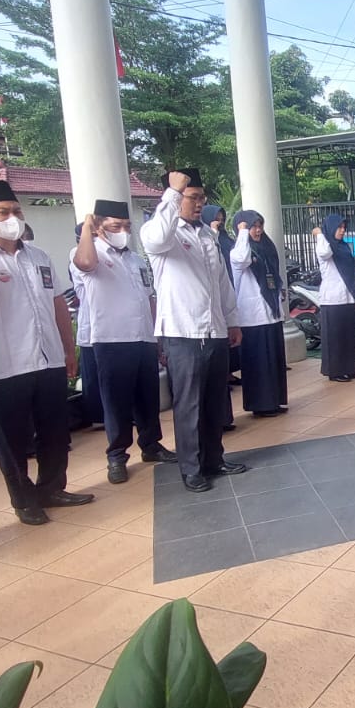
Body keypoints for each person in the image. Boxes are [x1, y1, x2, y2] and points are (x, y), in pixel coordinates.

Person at [0, 180, 95, 524]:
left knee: (55, 432)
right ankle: (23, 499)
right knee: (13, 438)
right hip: (5, 365)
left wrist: (68, 349)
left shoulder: (38, 257)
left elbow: (57, 304)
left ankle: (52, 488)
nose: (13, 217)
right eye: (3, 212)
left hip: (47, 359)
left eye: (16, 211)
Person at [140, 170, 247, 492]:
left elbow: (222, 282)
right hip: (183, 333)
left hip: (214, 330)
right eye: (192, 197)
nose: (199, 203)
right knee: (189, 405)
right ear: (175, 198)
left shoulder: (207, 236)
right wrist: (173, 194)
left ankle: (214, 459)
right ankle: (191, 468)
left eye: (202, 198)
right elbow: (156, 238)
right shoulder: (162, 232)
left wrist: (232, 320)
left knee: (215, 401)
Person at [74, 198, 178, 484]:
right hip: (112, 339)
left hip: (143, 336)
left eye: (126, 226)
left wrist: (157, 337)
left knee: (147, 398)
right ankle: (117, 455)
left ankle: (151, 445)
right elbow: (85, 263)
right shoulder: (90, 252)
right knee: (116, 402)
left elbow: (149, 298)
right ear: (98, 227)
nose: (122, 231)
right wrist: (87, 228)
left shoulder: (135, 259)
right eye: (115, 226)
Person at [230, 210, 290, 417]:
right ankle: (260, 404)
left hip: (271, 312)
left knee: (273, 360)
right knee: (259, 363)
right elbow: (241, 259)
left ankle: (274, 400)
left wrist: (279, 290)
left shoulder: (265, 248)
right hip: (253, 317)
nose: (258, 230)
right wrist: (242, 233)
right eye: (252, 226)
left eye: (259, 226)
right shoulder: (239, 251)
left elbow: (274, 272)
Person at [201, 196, 242, 417]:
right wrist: (213, 233)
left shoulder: (224, 240)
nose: (219, 222)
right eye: (215, 218)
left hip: (225, 297)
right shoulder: (207, 239)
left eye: (221, 218)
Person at [313, 213, 355, 382]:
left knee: (347, 336)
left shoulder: (344, 246)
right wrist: (319, 234)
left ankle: (348, 368)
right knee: (335, 338)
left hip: (347, 296)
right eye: (339, 227)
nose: (342, 231)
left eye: (344, 228)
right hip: (332, 299)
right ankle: (335, 371)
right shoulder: (324, 245)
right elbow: (325, 253)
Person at [67, 225, 103, 428]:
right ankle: (97, 417)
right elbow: (88, 264)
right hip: (91, 326)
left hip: (109, 326)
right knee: (94, 375)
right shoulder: (77, 254)